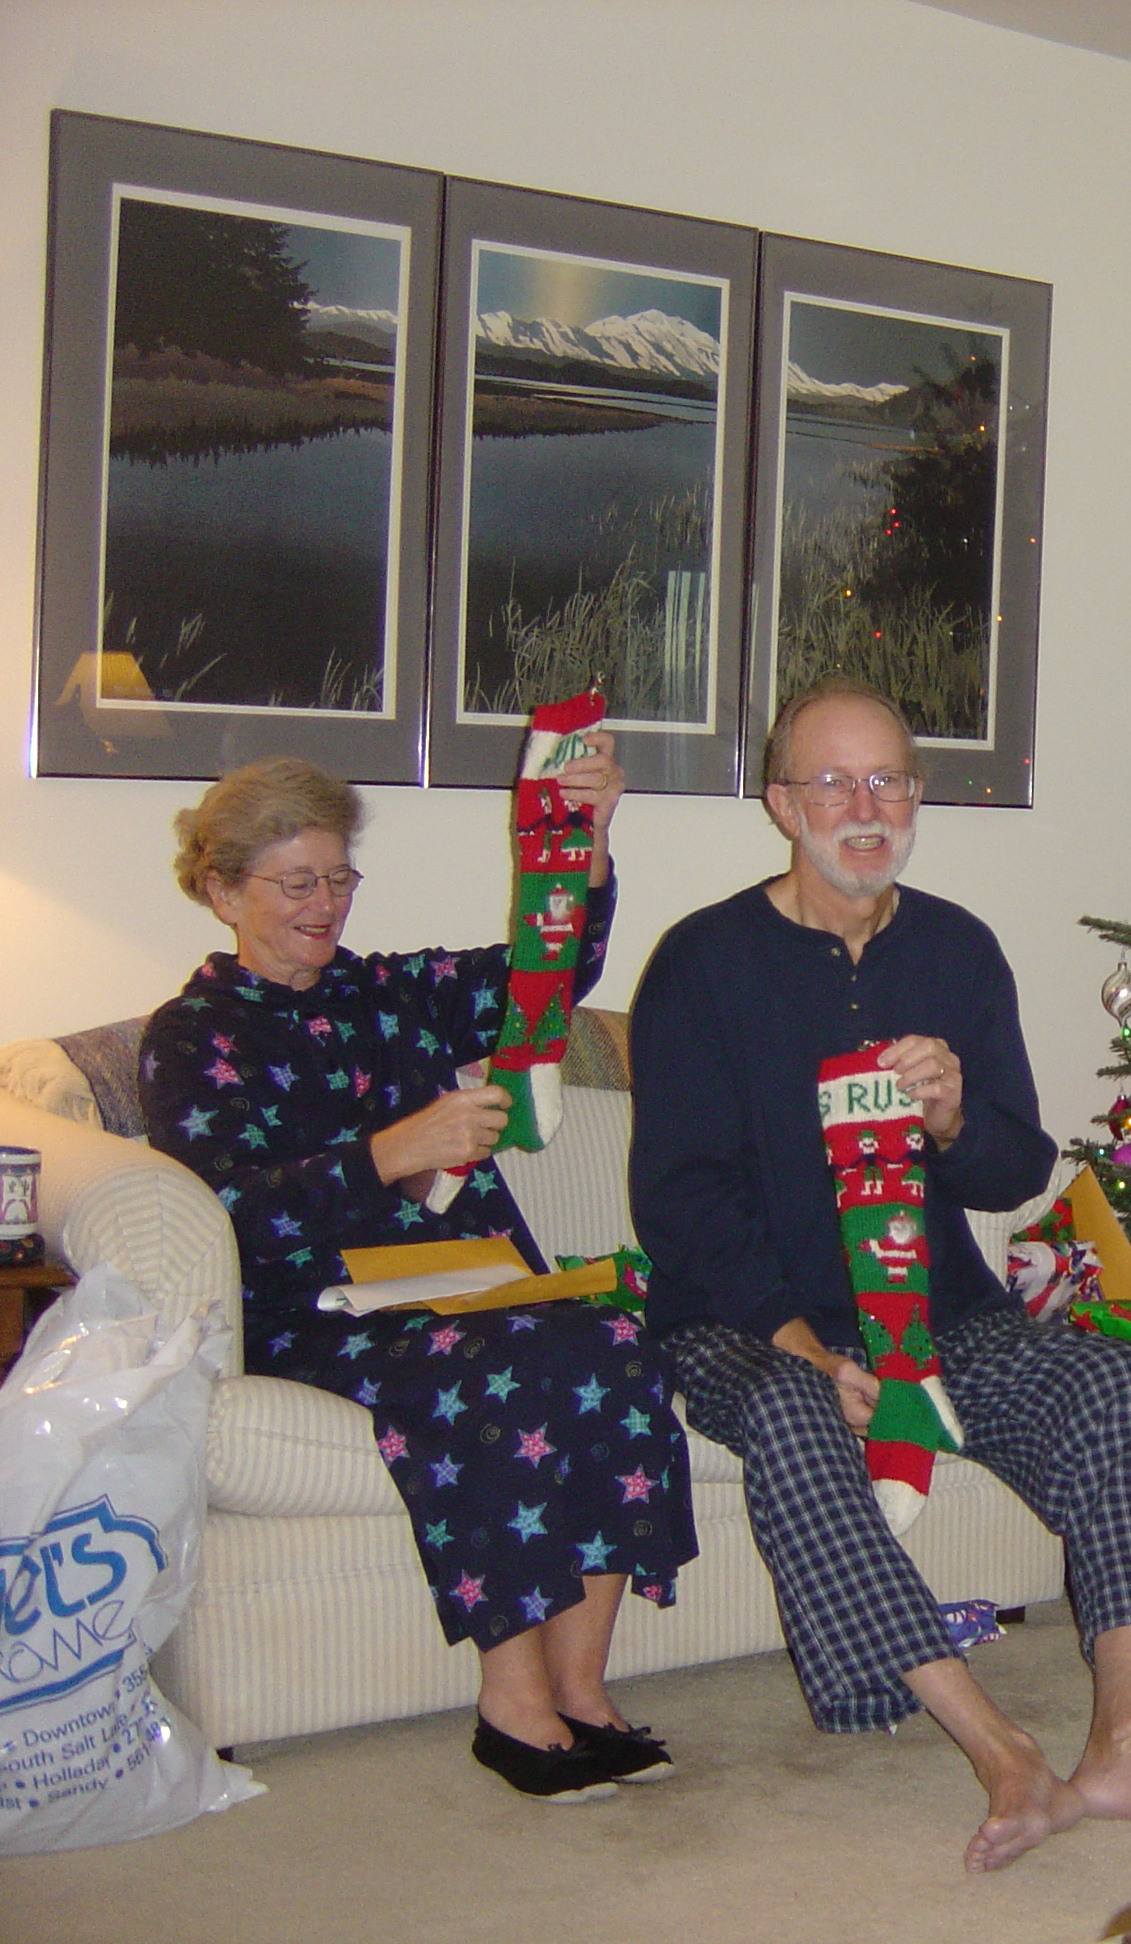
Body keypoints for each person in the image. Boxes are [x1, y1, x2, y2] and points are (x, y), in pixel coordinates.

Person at [629, 677, 1131, 1873]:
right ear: (784, 802)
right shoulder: (703, 963)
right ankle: (1003, 1754)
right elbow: (681, 1206)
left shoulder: (958, 949)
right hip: (751, 1325)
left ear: (918, 797)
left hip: (940, 1311)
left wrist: (951, 1124)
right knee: (792, 1416)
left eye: (889, 778)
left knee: (1112, 1382)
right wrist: (804, 1347)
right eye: (832, 781)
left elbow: (1018, 1171)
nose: (865, 805)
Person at [142, 750, 697, 1804]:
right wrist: (393, 1151)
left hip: (471, 1280)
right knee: (493, 1371)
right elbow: (231, 1213)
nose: (325, 904)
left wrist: (579, 842)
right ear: (221, 890)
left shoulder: (389, 992)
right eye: (295, 882)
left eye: (339, 877)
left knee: (610, 1340)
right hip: (323, 1315)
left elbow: (550, 974)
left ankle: (582, 1690)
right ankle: (510, 1704)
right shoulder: (196, 1035)